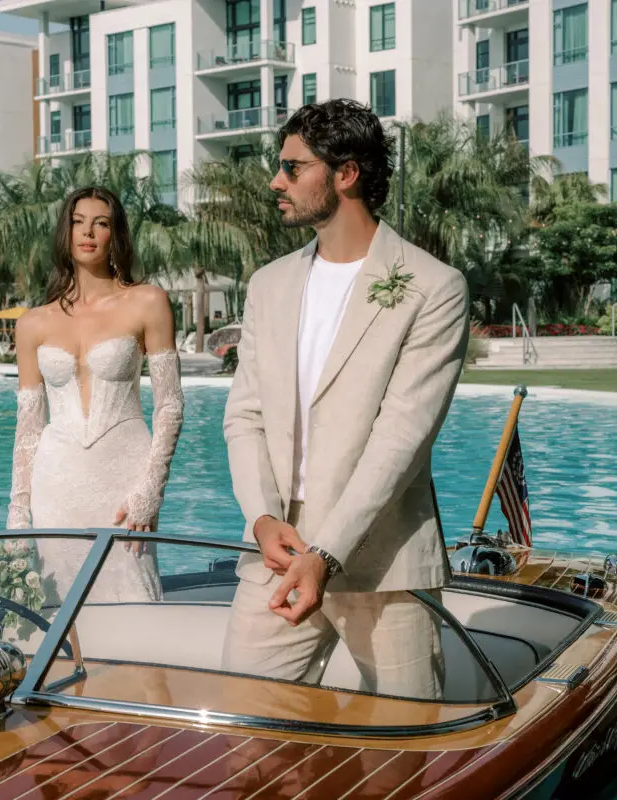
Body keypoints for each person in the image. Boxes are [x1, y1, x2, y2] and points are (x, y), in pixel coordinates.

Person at [221, 100, 470, 700]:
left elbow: (402, 439)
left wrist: (327, 554)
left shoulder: (434, 287)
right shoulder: (268, 284)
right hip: (275, 550)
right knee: (243, 733)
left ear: (346, 173)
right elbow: (245, 414)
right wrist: (260, 517)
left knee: (404, 758)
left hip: (385, 558)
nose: (275, 181)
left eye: (292, 167)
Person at [6, 185, 184, 605]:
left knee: (133, 598)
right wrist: (17, 517)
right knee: (57, 610)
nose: (88, 233)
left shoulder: (147, 301)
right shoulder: (32, 323)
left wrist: (150, 490)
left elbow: (171, 406)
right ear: (64, 234)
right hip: (57, 482)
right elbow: (28, 429)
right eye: (77, 223)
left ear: (114, 235)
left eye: (100, 224)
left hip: (123, 478)